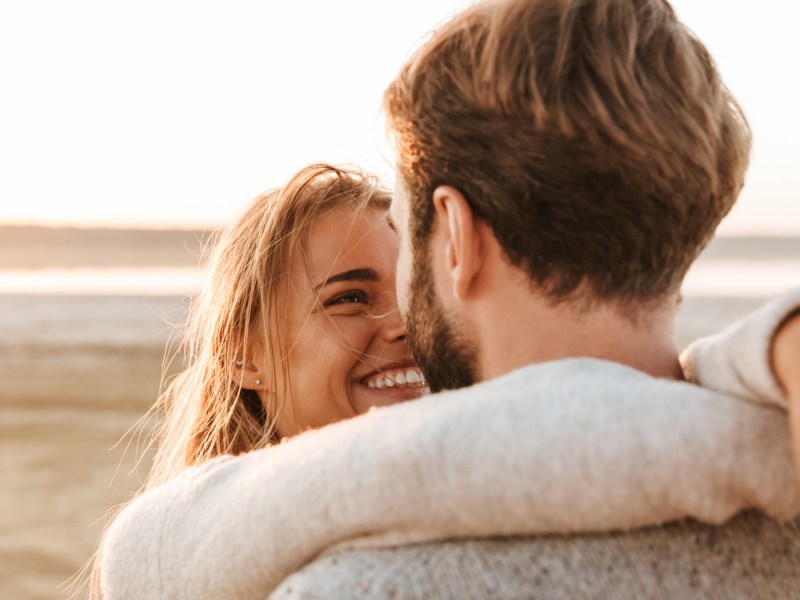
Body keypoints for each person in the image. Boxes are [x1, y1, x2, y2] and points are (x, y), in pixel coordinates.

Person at [96, 1, 800, 598]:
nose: (400, 313)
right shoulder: (780, 508)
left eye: (407, 235)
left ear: (456, 236)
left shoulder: (353, 586)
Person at [139, 163, 427, 489]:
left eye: (418, 294)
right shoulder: (187, 535)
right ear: (244, 357)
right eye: (351, 298)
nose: (409, 324)